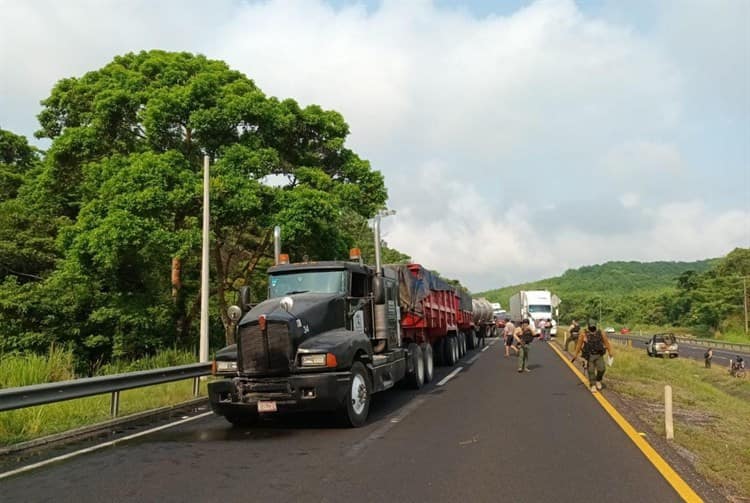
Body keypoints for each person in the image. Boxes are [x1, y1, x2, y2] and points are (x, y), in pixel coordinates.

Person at [571, 320, 613, 392]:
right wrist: (575, 354)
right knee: (591, 370)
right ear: (588, 326)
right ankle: (592, 385)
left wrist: (610, 352)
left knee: (602, 369)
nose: (592, 328)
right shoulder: (583, 334)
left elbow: (606, 342)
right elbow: (579, 344)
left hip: (599, 354)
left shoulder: (601, 333)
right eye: (591, 327)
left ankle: (598, 380)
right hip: (589, 355)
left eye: (593, 326)